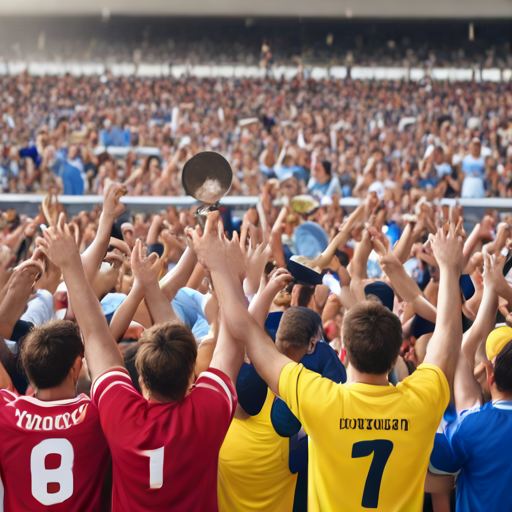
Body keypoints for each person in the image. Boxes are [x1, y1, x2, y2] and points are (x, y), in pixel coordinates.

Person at [189, 214, 463, 512]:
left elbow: (246, 333)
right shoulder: (422, 398)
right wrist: (449, 268)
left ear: (345, 346)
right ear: (395, 350)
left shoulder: (321, 399)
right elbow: (448, 332)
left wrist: (220, 268)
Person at [37, 212, 242, 512]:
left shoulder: (121, 415)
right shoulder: (207, 412)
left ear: (141, 380)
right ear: (191, 376)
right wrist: (224, 269)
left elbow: (94, 334)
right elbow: (232, 339)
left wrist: (70, 264)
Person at [0, 262, 110, 511]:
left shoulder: (6, 414)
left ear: (28, 369)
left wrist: (13, 287)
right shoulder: (98, 415)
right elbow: (103, 345)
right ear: (76, 367)